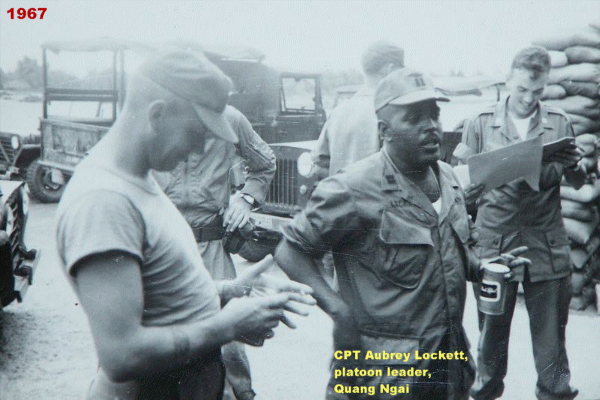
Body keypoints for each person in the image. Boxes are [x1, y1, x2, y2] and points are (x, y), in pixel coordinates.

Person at [55, 50, 314, 400]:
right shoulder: (104, 202)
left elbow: (157, 300)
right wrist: (230, 325)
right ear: (157, 115)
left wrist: (226, 290)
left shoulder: (135, 182)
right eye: (196, 132)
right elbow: (121, 354)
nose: (198, 147)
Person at [274, 68, 529, 400]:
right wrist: (339, 311)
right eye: (414, 119)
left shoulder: (449, 178)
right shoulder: (354, 187)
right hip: (383, 373)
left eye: (434, 116)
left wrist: (481, 268)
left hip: (447, 359)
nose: (431, 128)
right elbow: (289, 250)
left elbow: (448, 246)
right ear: (385, 131)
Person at [454, 46, 585, 400]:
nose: (529, 99)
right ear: (509, 80)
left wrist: (576, 165)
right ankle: (485, 391)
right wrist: (469, 188)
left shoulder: (560, 121)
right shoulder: (479, 123)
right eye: (522, 90)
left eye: (537, 91)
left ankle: (554, 392)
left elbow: (577, 182)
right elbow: (457, 181)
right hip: (495, 243)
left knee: (551, 338)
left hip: (546, 242)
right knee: (491, 336)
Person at [157, 102, 276, 400]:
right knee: (157, 338)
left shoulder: (231, 118)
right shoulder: (154, 113)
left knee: (228, 342)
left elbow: (264, 162)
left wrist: (245, 199)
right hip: (160, 246)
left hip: (210, 245)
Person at [311, 40, 404, 178]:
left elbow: (319, 164)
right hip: (376, 198)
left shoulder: (338, 112)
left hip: (340, 196)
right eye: (400, 71)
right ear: (388, 69)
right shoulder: (393, 112)